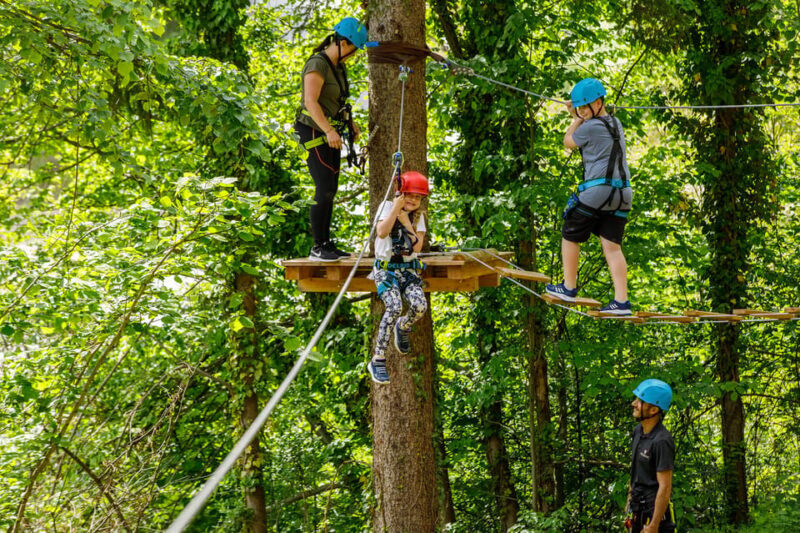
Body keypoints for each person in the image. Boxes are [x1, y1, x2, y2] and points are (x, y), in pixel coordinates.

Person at [545, 77, 633, 315]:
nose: (583, 111)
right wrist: (579, 114)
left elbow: (568, 142)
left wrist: (574, 119)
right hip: (623, 193)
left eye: (586, 107)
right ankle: (621, 302)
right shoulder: (616, 123)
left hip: (598, 190)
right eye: (579, 107)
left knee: (570, 231)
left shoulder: (590, 127)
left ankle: (568, 287)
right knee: (612, 246)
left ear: (599, 102)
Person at [294, 17, 367, 261]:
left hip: (330, 132)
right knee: (323, 186)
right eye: (354, 51)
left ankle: (326, 243)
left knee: (331, 189)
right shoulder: (318, 64)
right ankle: (317, 246)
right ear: (344, 43)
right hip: (314, 131)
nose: (353, 55)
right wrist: (328, 130)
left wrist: (349, 124)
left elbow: (338, 100)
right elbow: (310, 101)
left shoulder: (338, 66)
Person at [367, 171, 429, 384]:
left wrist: (406, 220)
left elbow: (417, 246)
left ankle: (402, 326)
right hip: (386, 269)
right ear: (400, 193)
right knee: (393, 306)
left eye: (417, 197)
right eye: (409, 195)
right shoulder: (386, 208)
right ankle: (378, 358)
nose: (413, 200)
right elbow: (382, 233)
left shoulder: (419, 217)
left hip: (407, 270)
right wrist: (396, 210)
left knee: (420, 306)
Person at [626, 379, 676, 533]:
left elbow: (665, 486)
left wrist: (654, 525)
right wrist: (629, 504)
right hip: (636, 509)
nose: (633, 403)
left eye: (640, 401)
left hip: (654, 514)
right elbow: (635, 472)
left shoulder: (661, 441)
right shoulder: (638, 432)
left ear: (653, 410)